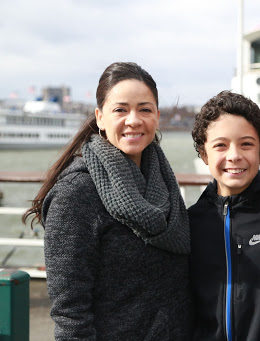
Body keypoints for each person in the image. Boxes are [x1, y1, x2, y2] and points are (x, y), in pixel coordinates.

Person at [23, 62, 192, 340]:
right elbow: (70, 314)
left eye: (145, 109)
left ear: (157, 117)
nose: (134, 120)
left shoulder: (162, 181)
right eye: (121, 110)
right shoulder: (76, 193)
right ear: (100, 117)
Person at [188, 90, 260, 341]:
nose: (234, 155)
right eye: (220, 145)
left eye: (246, 144)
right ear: (204, 154)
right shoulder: (190, 222)